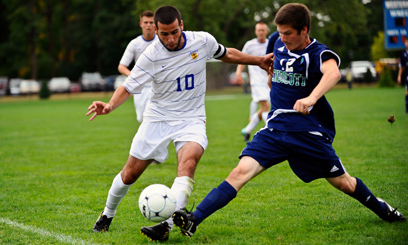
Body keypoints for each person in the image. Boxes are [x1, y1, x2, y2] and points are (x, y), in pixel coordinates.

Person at [172, 3, 406, 239]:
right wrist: (272, 78)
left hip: (308, 134)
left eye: (288, 34)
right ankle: (194, 219)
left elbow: (333, 73)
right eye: (280, 33)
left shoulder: (318, 53)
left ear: (304, 30)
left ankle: (383, 209)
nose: (282, 39)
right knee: (239, 173)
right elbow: (276, 66)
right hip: (275, 130)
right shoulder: (277, 42)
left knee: (344, 183)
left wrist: (312, 97)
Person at [87, 5, 273, 241]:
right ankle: (107, 214)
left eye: (174, 31)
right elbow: (127, 86)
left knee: (188, 163)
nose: (171, 38)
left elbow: (227, 54)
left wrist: (258, 61)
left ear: (182, 25)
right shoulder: (151, 55)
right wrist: (110, 106)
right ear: (156, 30)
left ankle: (165, 226)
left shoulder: (202, 41)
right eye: (164, 34)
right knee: (130, 174)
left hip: (192, 119)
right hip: (158, 117)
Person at [118, 10, 157, 123]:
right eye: (146, 22)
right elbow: (122, 66)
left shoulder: (161, 41)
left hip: (158, 86)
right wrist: (133, 76)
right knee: (141, 118)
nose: (148, 25)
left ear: (155, 24)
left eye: (151, 22)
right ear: (141, 24)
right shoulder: (134, 44)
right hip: (141, 88)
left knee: (151, 118)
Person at [236, 21, 270, 142]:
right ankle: (271, 130)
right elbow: (242, 59)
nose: (261, 32)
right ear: (256, 32)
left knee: (264, 108)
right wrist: (238, 72)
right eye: (259, 30)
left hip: (270, 80)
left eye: (263, 30)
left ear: (267, 31)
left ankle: (247, 130)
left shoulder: (271, 43)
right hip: (256, 81)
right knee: (265, 105)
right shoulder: (249, 45)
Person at [397, 38, 408, 114]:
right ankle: (407, 109)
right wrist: (399, 76)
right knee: (407, 92)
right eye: (406, 42)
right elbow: (402, 66)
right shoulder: (403, 54)